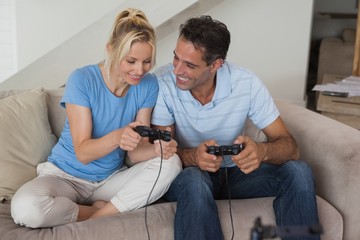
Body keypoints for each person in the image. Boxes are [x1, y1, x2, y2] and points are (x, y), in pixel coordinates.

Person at [151, 15, 320, 240]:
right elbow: (162, 152)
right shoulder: (162, 83)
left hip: (236, 175)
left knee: (298, 172)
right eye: (176, 58)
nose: (177, 70)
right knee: (194, 180)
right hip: (188, 174)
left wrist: (262, 152)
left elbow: (290, 147)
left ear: (216, 64)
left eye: (190, 65)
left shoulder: (246, 82)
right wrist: (193, 156)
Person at [11, 8, 181, 228]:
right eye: (131, 61)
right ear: (111, 50)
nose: (139, 70)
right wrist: (117, 137)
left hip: (110, 180)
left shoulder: (148, 85)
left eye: (147, 62)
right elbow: (83, 153)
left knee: (171, 163)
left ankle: (101, 216)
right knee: (26, 208)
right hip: (64, 177)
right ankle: (98, 211)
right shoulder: (82, 79)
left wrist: (156, 150)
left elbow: (136, 153)